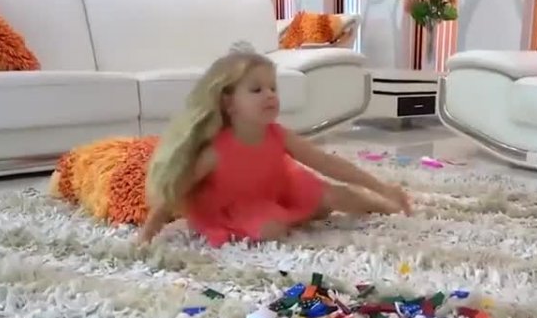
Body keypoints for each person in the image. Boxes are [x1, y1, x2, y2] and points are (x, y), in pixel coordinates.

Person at [139, 51, 411, 246]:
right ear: (229, 103)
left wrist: (381, 188)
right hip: (234, 207)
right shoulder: (215, 152)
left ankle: (387, 204)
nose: (270, 95)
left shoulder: (278, 134)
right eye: (256, 90)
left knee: (337, 195)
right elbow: (176, 189)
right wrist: (148, 232)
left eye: (273, 88)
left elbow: (327, 163)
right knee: (271, 230)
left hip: (280, 188)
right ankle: (299, 214)